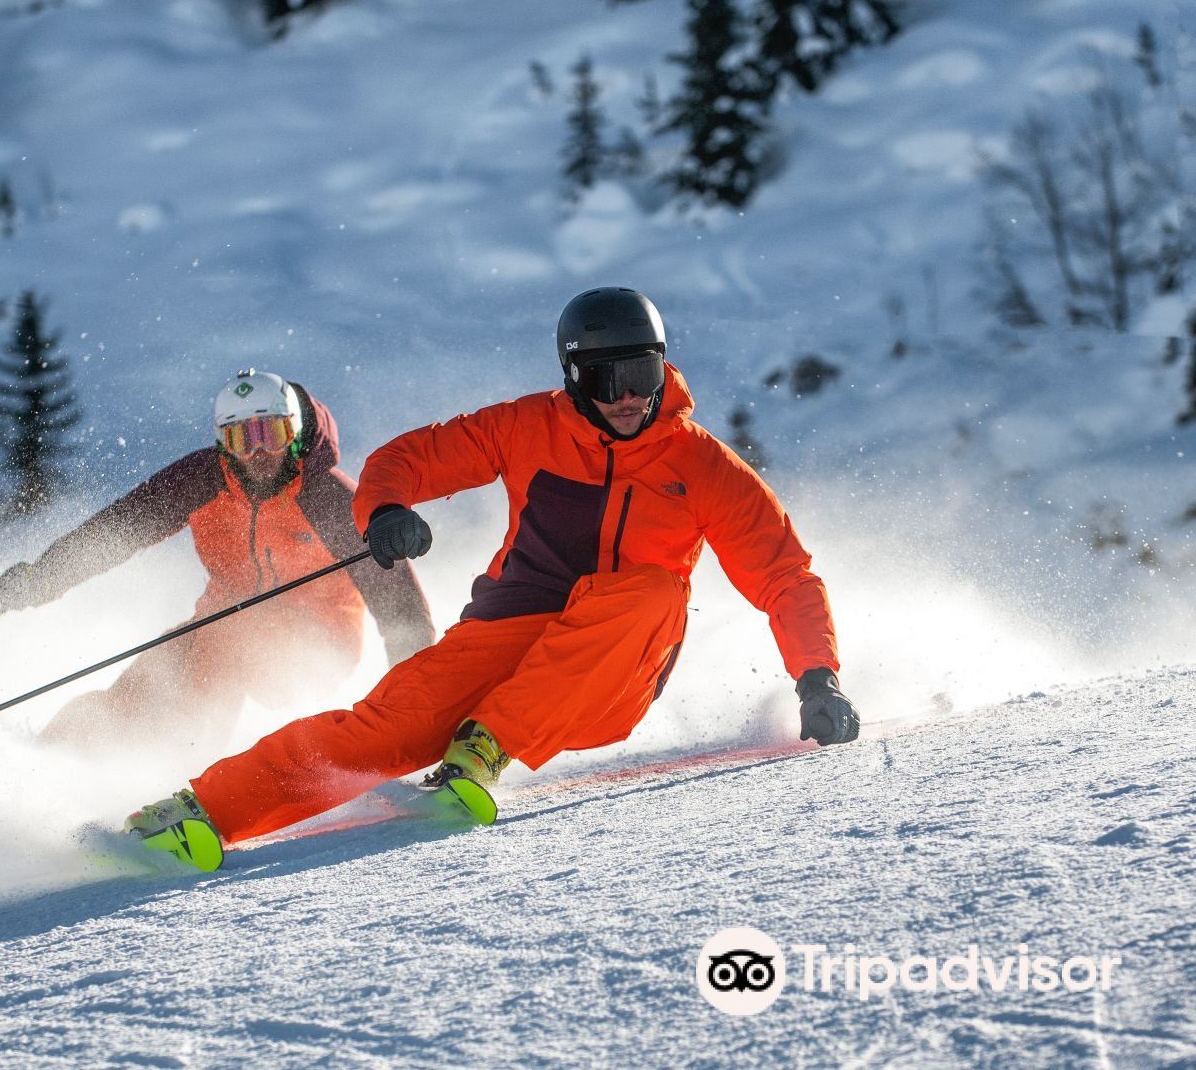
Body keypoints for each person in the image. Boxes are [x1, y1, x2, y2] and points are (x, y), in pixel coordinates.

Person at [124, 288, 861, 870]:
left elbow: (784, 570)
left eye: (641, 373)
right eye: (606, 378)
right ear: (572, 376)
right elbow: (406, 459)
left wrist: (817, 677)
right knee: (388, 724)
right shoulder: (526, 426)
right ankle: (199, 812)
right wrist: (383, 512)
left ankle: (484, 748)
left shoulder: (701, 465)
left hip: (612, 663)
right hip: (507, 629)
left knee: (654, 587)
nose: (627, 395)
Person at [0, 369, 435, 751]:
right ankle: (52, 758)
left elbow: (397, 599)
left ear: (295, 432)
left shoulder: (327, 497)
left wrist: (415, 706)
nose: (259, 453)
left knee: (229, 641)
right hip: (220, 622)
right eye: (242, 440)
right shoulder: (202, 480)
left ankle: (189, 771)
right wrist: (44, 577)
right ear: (224, 444)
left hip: (316, 642)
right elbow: (118, 530)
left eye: (272, 434)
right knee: (156, 669)